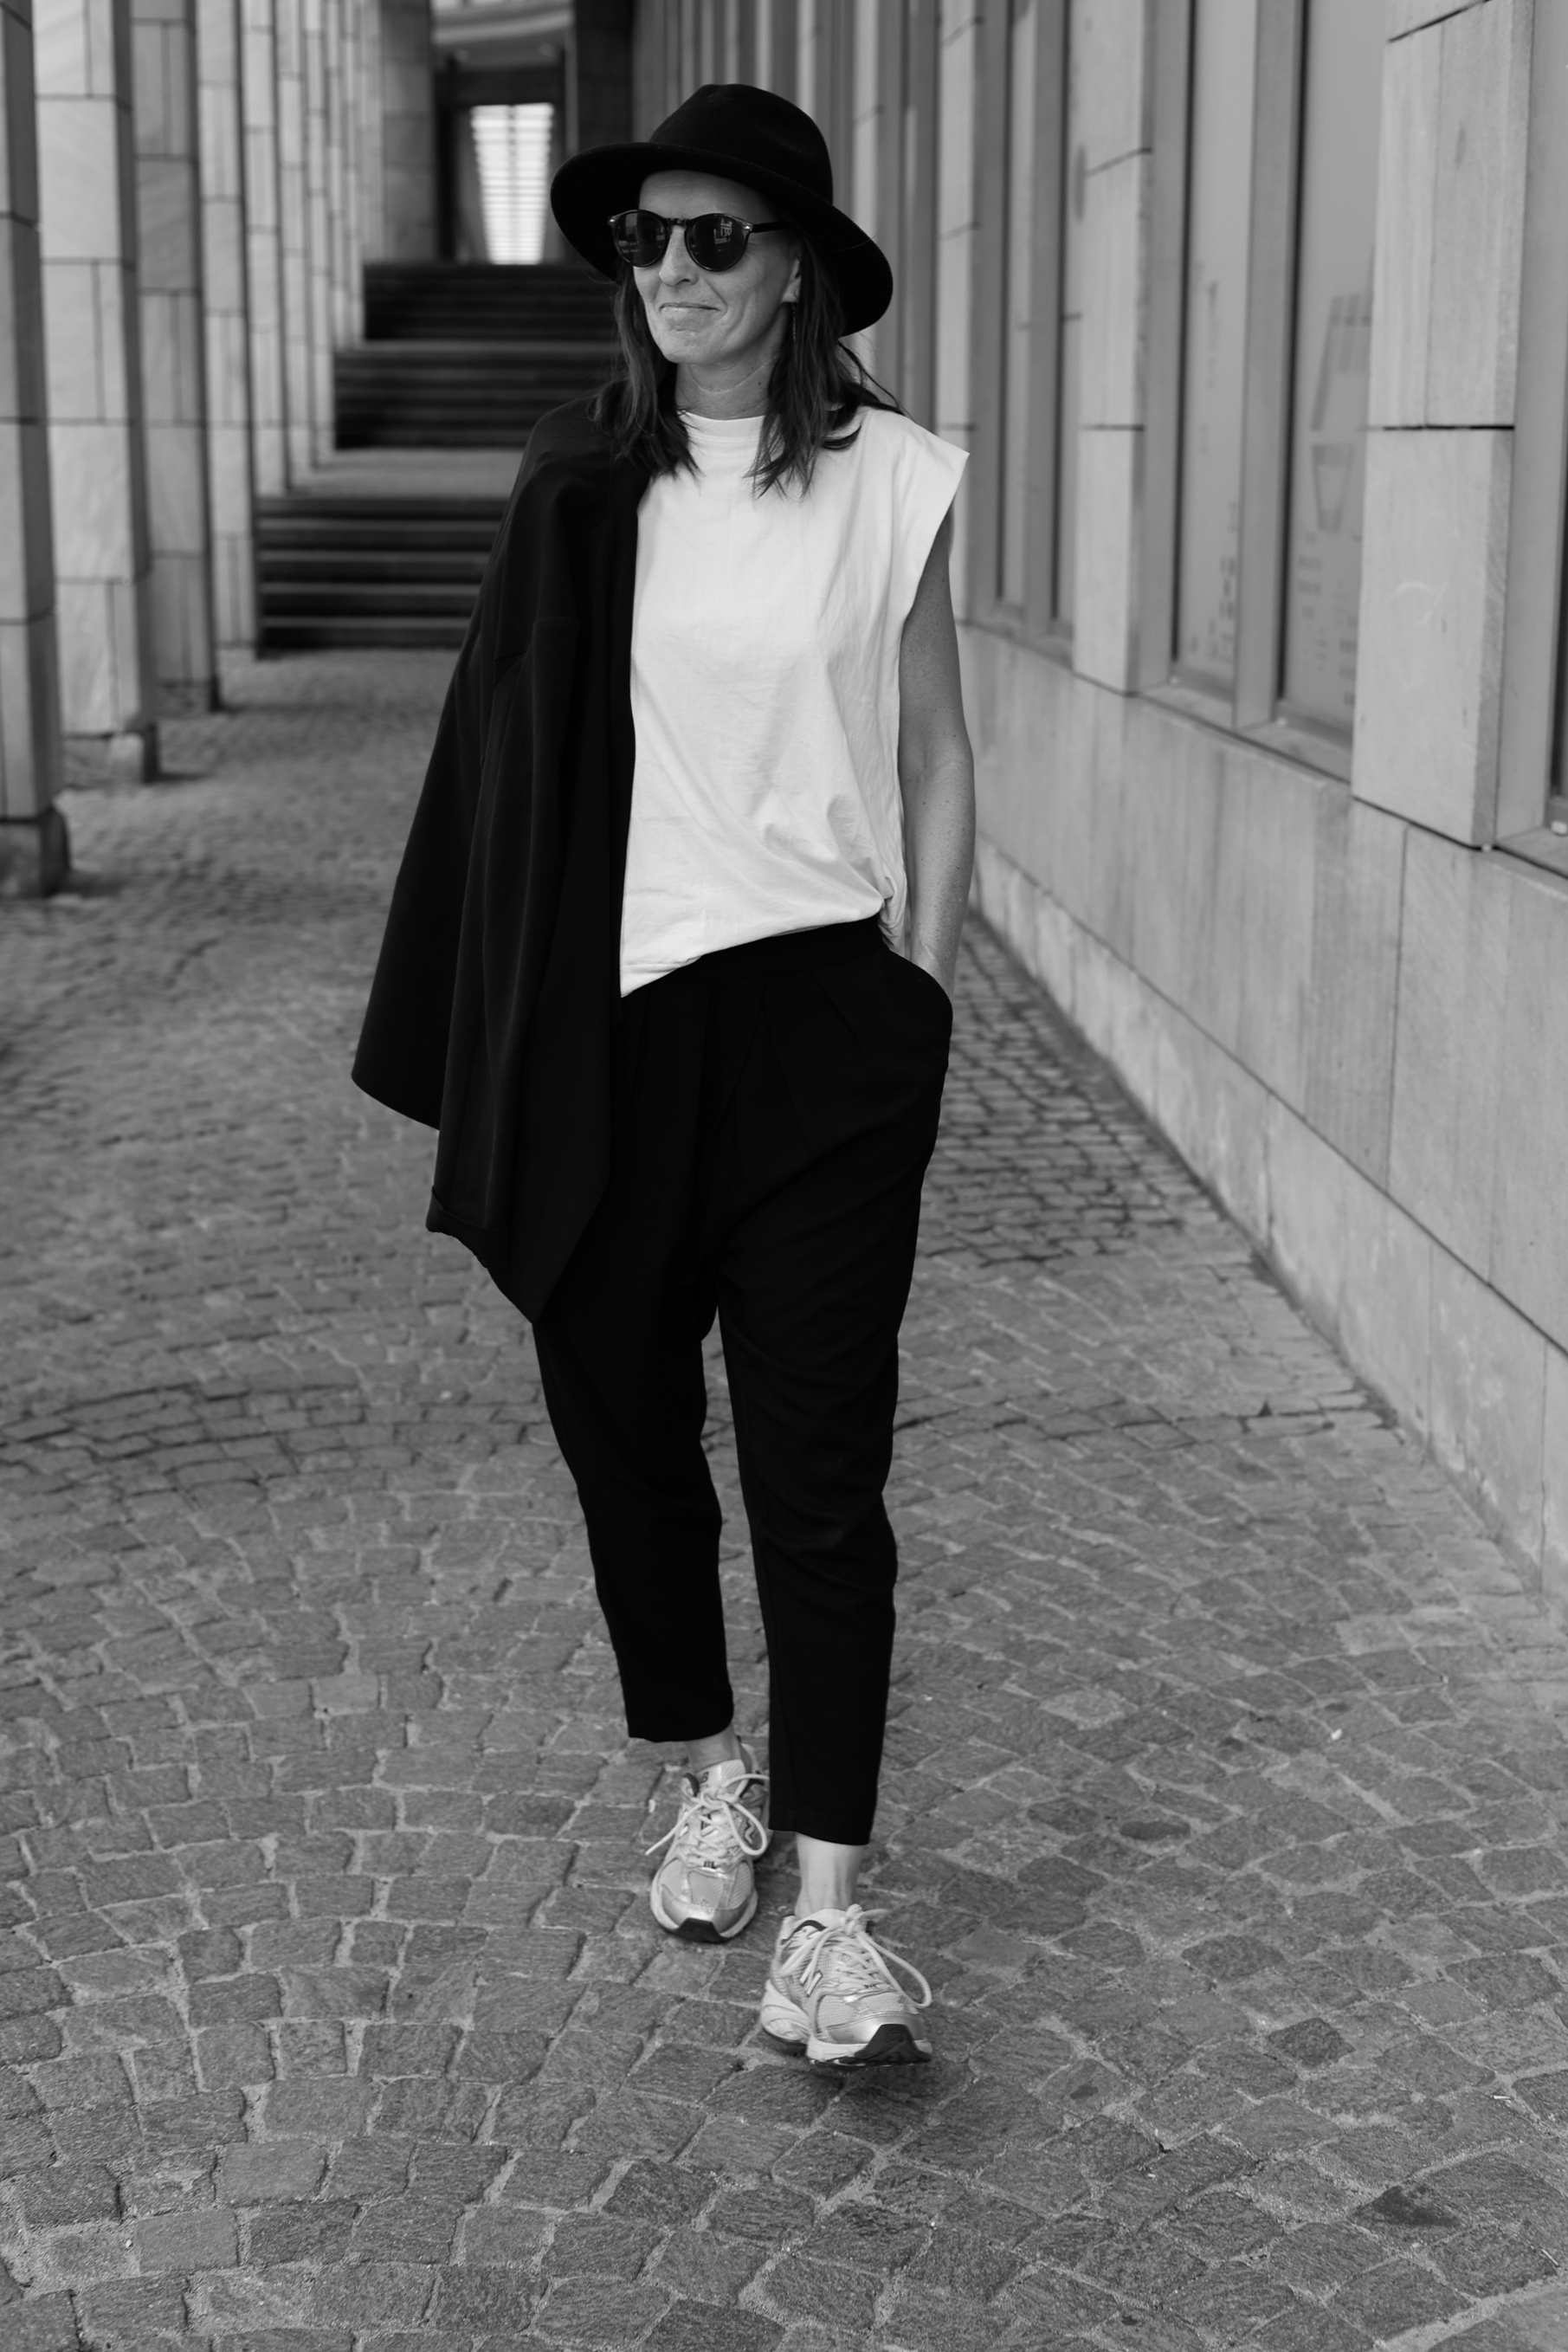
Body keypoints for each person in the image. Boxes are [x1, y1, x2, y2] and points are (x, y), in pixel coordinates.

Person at [353, 83, 974, 2071]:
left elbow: (937, 747)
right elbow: (498, 768)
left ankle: (833, 1914)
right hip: (607, 1035)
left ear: (795, 268)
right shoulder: (578, 480)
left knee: (821, 1482)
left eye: (716, 238)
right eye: (647, 240)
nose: (676, 271)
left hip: (823, 1033)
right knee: (625, 1435)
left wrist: (923, 989)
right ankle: (706, 1774)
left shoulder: (893, 480)